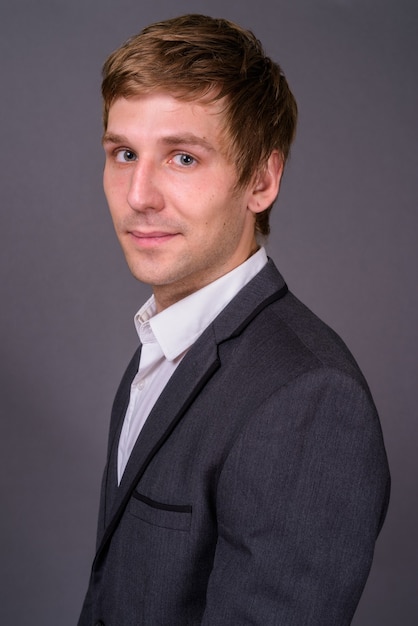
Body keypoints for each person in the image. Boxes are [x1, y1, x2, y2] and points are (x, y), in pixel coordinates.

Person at [78, 14, 390, 625]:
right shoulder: (162, 345)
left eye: (183, 158)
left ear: (261, 180)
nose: (139, 194)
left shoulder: (311, 399)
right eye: (124, 153)